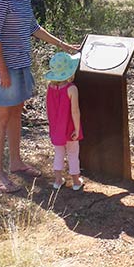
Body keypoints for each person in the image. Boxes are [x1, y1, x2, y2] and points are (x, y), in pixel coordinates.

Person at [0, 0, 78, 194]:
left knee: (16, 113)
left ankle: (16, 163)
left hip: (21, 63)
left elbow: (33, 27)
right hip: (2, 66)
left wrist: (62, 45)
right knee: (1, 117)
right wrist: (2, 70)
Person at [45, 52, 84, 191]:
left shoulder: (49, 88)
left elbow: (48, 107)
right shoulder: (72, 88)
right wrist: (77, 129)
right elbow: (75, 111)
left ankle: (57, 180)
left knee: (59, 153)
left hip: (56, 127)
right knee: (73, 153)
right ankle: (76, 181)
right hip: (70, 127)